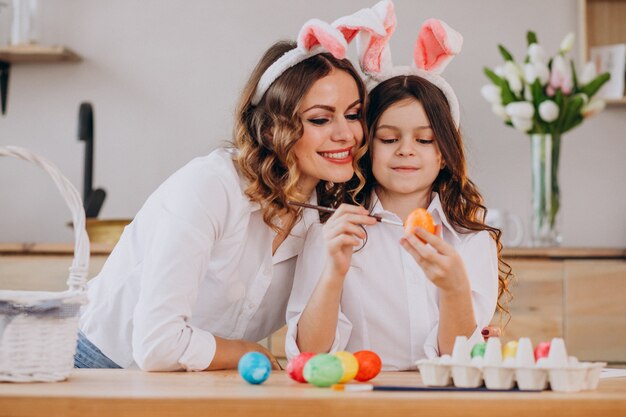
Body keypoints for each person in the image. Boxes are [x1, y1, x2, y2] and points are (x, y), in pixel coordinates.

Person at [75, 15, 371, 371]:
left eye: (353, 115)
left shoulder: (322, 217)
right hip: (94, 365)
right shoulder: (211, 187)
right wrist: (253, 352)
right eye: (321, 119)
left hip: (192, 380)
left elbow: (310, 352)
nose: (346, 134)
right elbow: (157, 344)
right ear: (275, 127)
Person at [285, 3, 511, 370]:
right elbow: (310, 357)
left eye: (424, 140)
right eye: (389, 139)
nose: (406, 149)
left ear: (444, 154)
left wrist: (455, 289)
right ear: (365, 147)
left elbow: (462, 364)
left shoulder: (469, 239)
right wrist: (333, 273)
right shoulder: (332, 232)